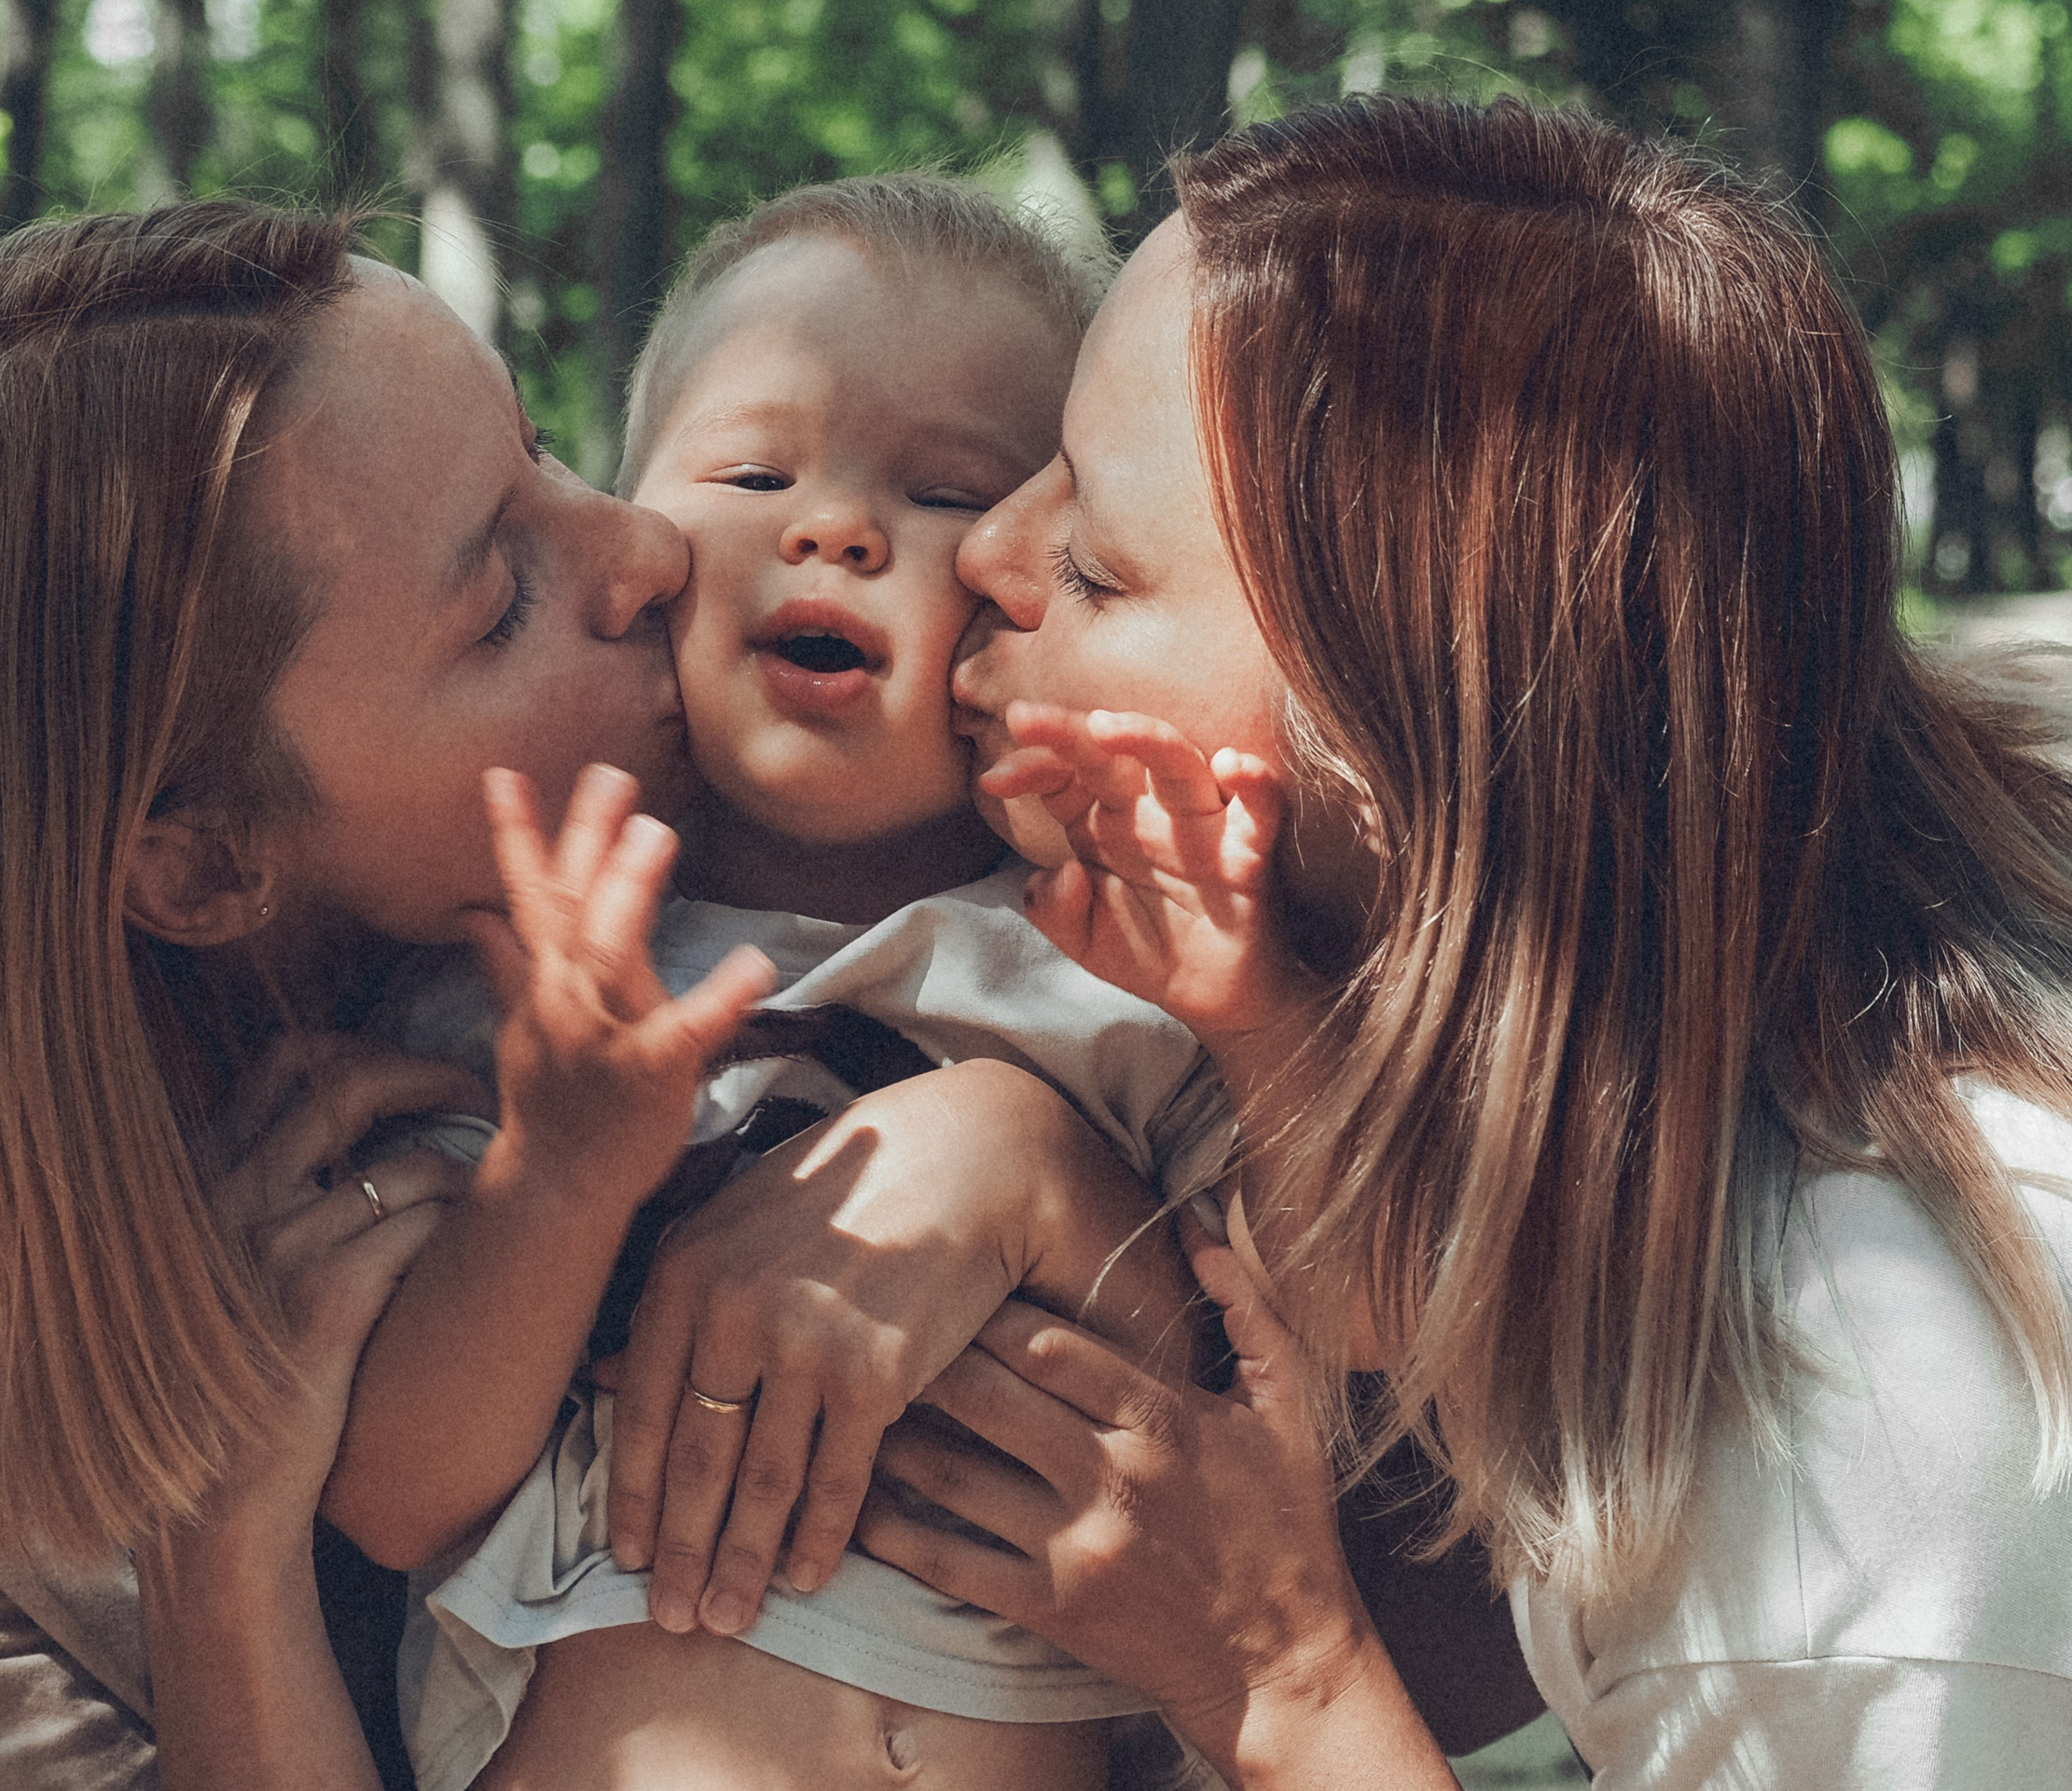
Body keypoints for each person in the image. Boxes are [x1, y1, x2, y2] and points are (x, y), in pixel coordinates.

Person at [0, 199, 1154, 1788]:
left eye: (544, 453)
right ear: (198, 865)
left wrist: (1027, 1155)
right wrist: (225, 1544)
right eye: (500, 595)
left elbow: (1412, 1599)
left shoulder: (864, 881)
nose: (652, 548)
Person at [836, 95, 2072, 1788]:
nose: (983, 553)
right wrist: (1261, 1023)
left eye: (1102, 570)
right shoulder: (1769, 944)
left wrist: (1285, 1681)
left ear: (1390, 774)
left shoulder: (1851, 1495)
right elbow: (1398, 1310)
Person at [316, 174, 1236, 1791]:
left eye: (950, 490)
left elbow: (1249, 1426)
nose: (836, 527)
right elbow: (396, 1495)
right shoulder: (537, 969)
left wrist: (1046, 1178)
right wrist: (563, 1173)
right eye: (752, 471)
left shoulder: (1128, 971)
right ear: (636, 543)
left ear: (1043, 574)